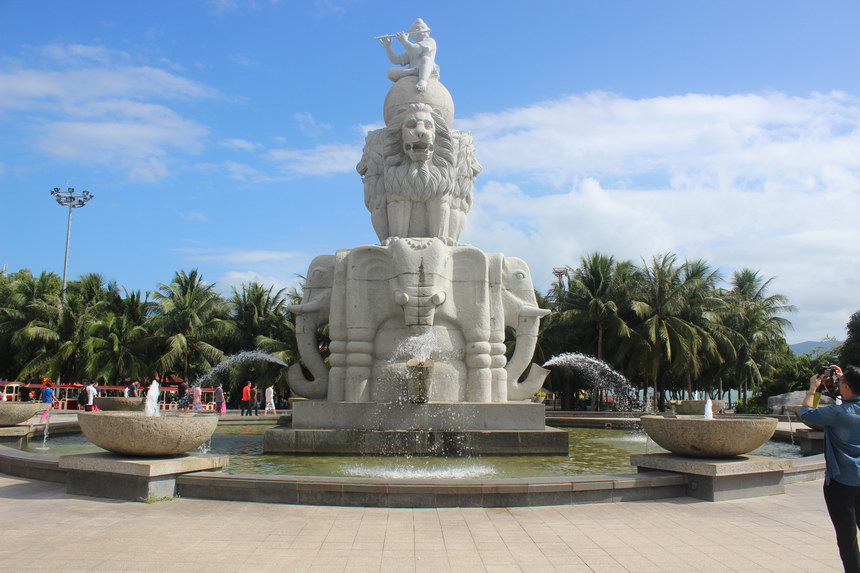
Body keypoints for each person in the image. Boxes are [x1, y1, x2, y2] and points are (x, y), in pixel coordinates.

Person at [801, 364, 860, 573]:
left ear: (846, 387)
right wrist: (846, 380)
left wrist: (813, 389)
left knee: (847, 537)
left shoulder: (838, 413)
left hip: (840, 483)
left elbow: (807, 413)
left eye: (842, 383)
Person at [379, 18, 439, 92]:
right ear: (412, 34)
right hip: (412, 70)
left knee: (426, 59)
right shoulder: (410, 49)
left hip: (427, 69)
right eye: (417, 29)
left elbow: (414, 49)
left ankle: (423, 80)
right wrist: (388, 47)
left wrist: (404, 41)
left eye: (422, 27)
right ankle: (413, 71)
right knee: (390, 72)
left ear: (427, 30)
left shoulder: (430, 41)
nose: (420, 30)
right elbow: (396, 60)